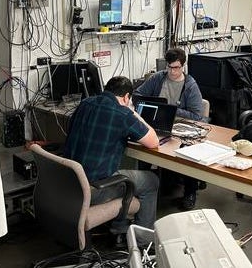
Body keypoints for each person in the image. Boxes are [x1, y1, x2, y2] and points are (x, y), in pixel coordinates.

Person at [64, 76, 160, 245]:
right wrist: (133, 113)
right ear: (126, 97)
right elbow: (153, 142)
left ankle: (120, 228)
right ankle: (143, 242)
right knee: (151, 181)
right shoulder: (123, 114)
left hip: (70, 182)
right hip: (94, 189)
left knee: (117, 171)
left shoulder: (85, 103)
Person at [135, 47, 206, 211]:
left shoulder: (190, 85)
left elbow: (196, 115)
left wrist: (171, 108)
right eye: (169, 67)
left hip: (182, 128)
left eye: (176, 67)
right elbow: (138, 94)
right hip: (158, 123)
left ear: (183, 66)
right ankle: (143, 187)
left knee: (188, 153)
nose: (172, 71)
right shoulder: (158, 78)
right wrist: (155, 105)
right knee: (143, 145)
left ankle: (190, 192)